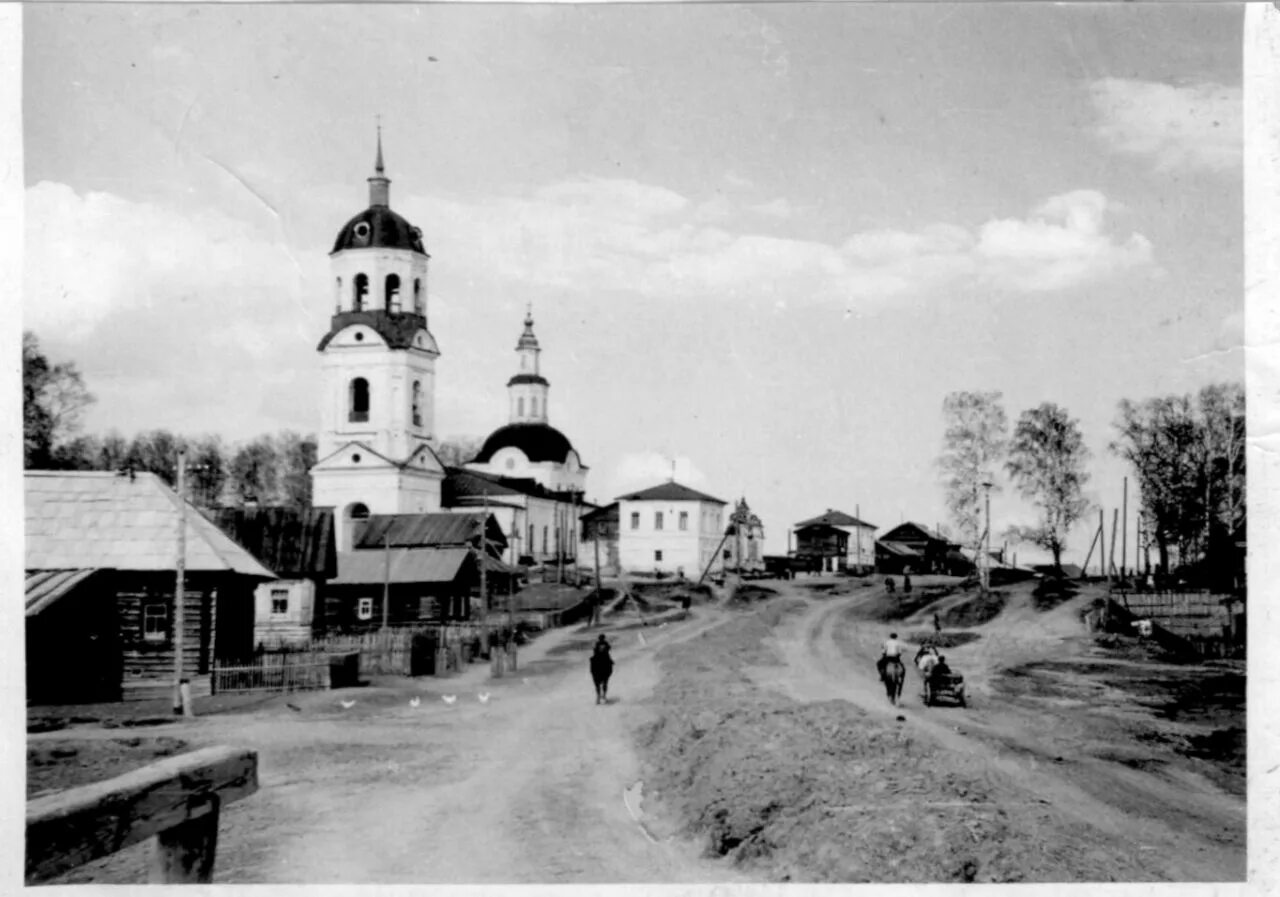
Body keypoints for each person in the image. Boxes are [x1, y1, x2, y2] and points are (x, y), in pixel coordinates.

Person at [589, 634, 614, 705]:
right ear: (603, 638)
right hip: (605, 659)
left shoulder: (597, 644)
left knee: (592, 662)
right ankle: (604, 695)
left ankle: (598, 697)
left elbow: (594, 651)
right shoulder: (605, 643)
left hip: (597, 659)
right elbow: (609, 648)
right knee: (606, 679)